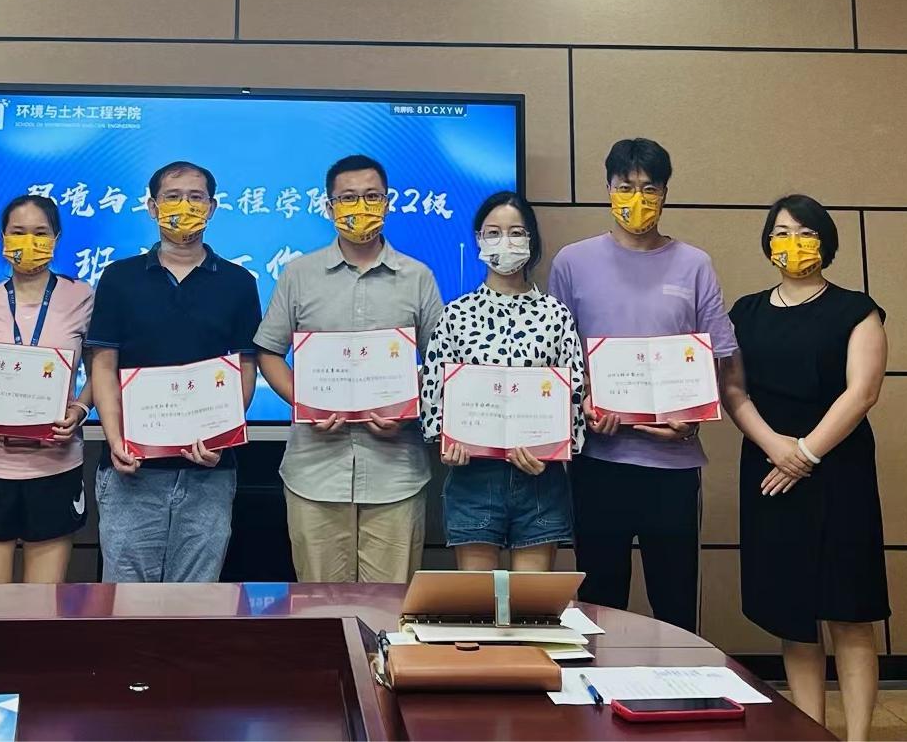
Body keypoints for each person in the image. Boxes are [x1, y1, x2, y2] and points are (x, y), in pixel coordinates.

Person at [548, 137, 737, 632]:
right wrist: (583, 403)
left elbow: (718, 355)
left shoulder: (695, 263)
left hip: (673, 466)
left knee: (675, 602)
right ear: (608, 189)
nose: (637, 198)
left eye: (649, 188)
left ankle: (679, 683)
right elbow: (556, 357)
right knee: (599, 603)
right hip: (598, 461)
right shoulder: (572, 262)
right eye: (625, 186)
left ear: (666, 193)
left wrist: (693, 417)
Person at [723, 194, 889, 742]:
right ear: (767, 242)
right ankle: (812, 732)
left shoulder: (856, 309)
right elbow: (734, 390)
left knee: (850, 613)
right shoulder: (745, 312)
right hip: (769, 470)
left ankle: (858, 737)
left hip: (839, 473)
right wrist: (777, 447)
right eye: (781, 232)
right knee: (792, 616)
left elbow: (862, 392)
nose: (791, 243)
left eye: (805, 232)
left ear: (826, 242)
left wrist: (806, 454)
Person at [256, 154, 443, 584]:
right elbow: (268, 352)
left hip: (396, 473)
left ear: (388, 202)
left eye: (372, 196)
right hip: (314, 473)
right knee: (320, 610)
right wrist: (307, 401)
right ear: (329, 207)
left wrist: (407, 408)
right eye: (348, 198)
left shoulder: (417, 276)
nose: (361, 206)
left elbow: (440, 363)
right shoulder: (299, 274)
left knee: (389, 609)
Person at [87, 161, 262, 583]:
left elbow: (245, 365)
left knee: (196, 603)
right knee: (126, 602)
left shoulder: (239, 282)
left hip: (209, 472)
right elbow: (103, 364)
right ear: (152, 207)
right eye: (172, 197)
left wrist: (221, 434)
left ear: (212, 207)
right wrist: (115, 439)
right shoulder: (118, 278)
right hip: (132, 469)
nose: (184, 206)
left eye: (195, 197)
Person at [420, 192, 586, 571]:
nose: (504, 242)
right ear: (479, 240)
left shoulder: (556, 315)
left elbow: (574, 395)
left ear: (531, 240)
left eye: (515, 232)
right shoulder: (456, 315)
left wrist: (552, 448)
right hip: (473, 479)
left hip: (540, 479)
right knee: (479, 601)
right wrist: (448, 440)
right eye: (493, 233)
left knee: (532, 603)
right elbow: (433, 398)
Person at [0, 194, 96, 585]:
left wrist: (80, 410)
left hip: (56, 467)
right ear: (2, 238)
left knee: (41, 607)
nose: (29, 241)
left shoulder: (82, 297)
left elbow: (102, 369)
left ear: (56, 238)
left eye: (40, 232)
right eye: (18, 231)